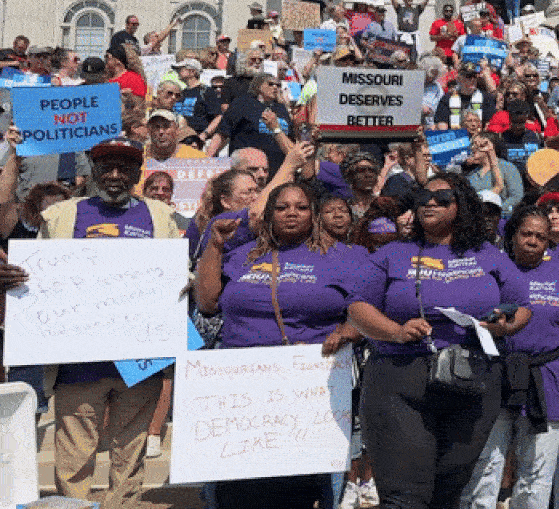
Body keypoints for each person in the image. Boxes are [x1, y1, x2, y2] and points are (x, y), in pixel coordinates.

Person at [345, 173, 531, 509]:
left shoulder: (487, 253)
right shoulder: (392, 254)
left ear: (461, 205)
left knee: (447, 496)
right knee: (406, 498)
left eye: (442, 198)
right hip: (400, 380)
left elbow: (523, 308)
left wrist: (504, 326)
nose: (430, 203)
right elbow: (358, 307)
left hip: (472, 381)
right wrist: (395, 331)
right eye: (423, 198)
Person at [194, 182, 364, 508]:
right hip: (242, 388)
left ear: (314, 214)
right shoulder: (240, 254)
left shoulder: (345, 257)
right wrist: (215, 246)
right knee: (240, 481)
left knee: (302, 482)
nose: (291, 213)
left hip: (310, 386)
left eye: (300, 207)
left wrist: (346, 331)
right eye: (282, 207)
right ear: (269, 214)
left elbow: (369, 311)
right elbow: (207, 302)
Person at [36, 138, 184, 509]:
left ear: (137, 173)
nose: (115, 175)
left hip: (138, 361)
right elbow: (39, 276)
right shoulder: (64, 216)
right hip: (77, 361)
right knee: (73, 459)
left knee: (130, 456)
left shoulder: (159, 216)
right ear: (94, 170)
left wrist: (186, 280)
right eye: (107, 167)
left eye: (125, 168)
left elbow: (179, 274)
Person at [461, 206, 559, 509]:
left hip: (547, 379)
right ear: (512, 235)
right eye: (527, 234)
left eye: (541, 237)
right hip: (495, 376)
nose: (533, 241)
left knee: (537, 474)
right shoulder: (491, 270)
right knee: (486, 467)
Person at [207, 73, 291, 174]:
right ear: (258, 86)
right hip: (247, 169)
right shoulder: (242, 103)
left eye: (278, 85)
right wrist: (207, 161)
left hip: (277, 170)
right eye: (270, 84)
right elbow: (222, 133)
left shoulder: (281, 109)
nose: (275, 87)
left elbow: (290, 138)